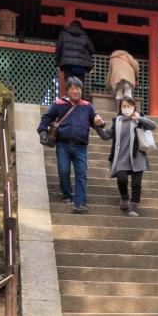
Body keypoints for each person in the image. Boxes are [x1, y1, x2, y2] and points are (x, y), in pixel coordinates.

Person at [38, 77, 104, 214]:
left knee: (81, 174)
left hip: (81, 146)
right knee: (63, 171)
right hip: (63, 145)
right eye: (73, 88)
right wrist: (42, 131)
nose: (76, 91)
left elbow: (97, 121)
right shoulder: (59, 104)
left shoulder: (87, 106)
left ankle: (80, 203)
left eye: (78, 88)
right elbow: (46, 118)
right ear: (67, 90)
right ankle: (67, 194)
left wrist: (101, 122)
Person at [97, 96, 156, 216]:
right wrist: (97, 126)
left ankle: (133, 207)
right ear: (120, 108)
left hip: (137, 157)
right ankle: (124, 197)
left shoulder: (139, 118)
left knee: (136, 184)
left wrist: (140, 118)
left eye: (129, 106)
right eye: (124, 106)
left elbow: (153, 126)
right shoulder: (117, 121)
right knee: (121, 179)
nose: (126, 108)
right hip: (121, 157)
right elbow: (105, 136)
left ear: (134, 107)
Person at [55, 19, 95, 89]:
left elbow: (58, 49)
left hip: (68, 64)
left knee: (69, 85)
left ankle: (69, 95)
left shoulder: (64, 34)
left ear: (70, 26)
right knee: (79, 86)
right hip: (81, 65)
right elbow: (91, 49)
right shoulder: (84, 36)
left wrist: (57, 63)